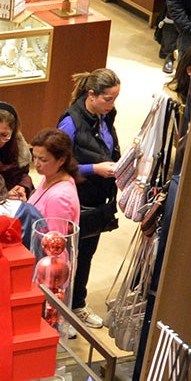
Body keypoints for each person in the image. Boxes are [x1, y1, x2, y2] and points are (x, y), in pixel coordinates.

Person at [57, 69, 123, 319]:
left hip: (98, 199)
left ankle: (77, 304)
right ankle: (62, 309)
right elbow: (57, 162)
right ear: (92, 95)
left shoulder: (106, 116)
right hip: (77, 200)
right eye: (108, 98)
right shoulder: (70, 122)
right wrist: (94, 169)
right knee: (70, 256)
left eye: (115, 99)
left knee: (87, 254)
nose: (112, 104)